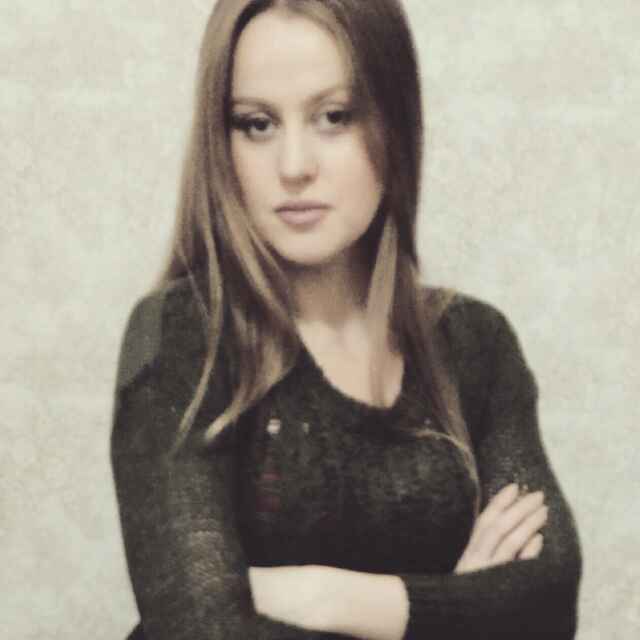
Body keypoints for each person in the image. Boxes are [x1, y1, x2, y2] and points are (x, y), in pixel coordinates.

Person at [110, 1, 583, 639]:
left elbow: (546, 605)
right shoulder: (181, 336)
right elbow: (202, 626)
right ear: (222, 146)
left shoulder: (474, 341)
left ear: (395, 123)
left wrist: (328, 596)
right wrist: (455, 610)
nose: (294, 166)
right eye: (256, 124)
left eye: (334, 117)